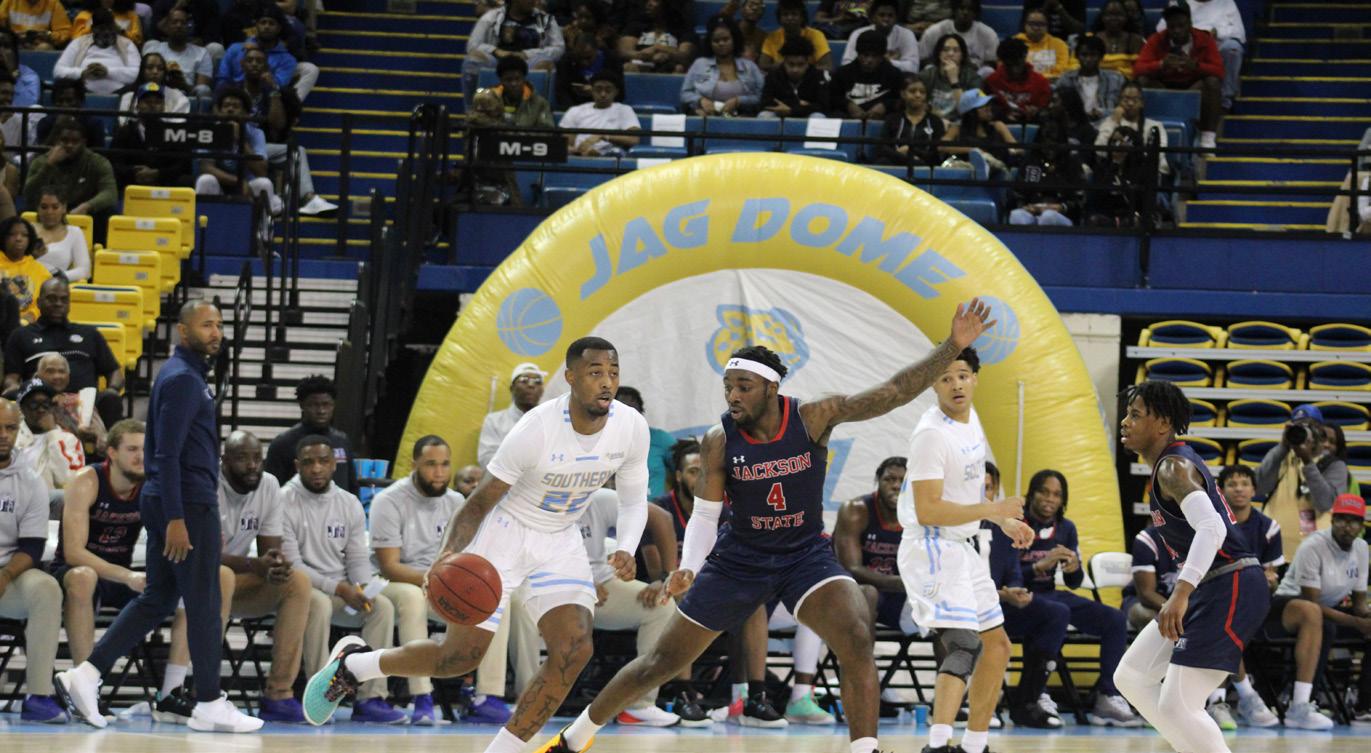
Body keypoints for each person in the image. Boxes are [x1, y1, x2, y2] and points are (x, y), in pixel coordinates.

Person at [546, 301, 996, 753]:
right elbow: (705, 514)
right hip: (739, 561)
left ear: (771, 387)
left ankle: (865, 749)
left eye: (744, 387)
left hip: (804, 557)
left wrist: (952, 346)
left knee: (856, 633)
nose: (733, 396)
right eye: (728, 387)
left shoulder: (812, 417)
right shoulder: (720, 440)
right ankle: (573, 739)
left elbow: (894, 391)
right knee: (660, 662)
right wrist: (690, 567)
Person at [301, 337, 655, 753]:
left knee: (574, 649)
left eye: (613, 373)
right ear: (571, 377)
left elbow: (634, 501)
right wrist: (446, 555)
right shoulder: (537, 429)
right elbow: (478, 503)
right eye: (595, 373)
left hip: (560, 538)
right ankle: (356, 665)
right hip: (505, 533)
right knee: (459, 658)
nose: (607, 382)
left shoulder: (631, 427)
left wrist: (626, 547)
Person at [56, 300, 262, 732]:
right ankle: (209, 701)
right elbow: (166, 453)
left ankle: (86, 674)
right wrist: (176, 517)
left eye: (219, 325)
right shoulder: (184, 378)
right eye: (206, 325)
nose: (216, 332)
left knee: (159, 598)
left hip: (176, 500)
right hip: (186, 502)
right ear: (182, 332)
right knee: (204, 600)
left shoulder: (187, 375)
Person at [1113, 380, 1270, 753]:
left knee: (1179, 704)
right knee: (1132, 676)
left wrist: (1180, 593)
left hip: (1231, 583)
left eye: (1135, 415)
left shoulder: (1173, 467)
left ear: (1163, 423)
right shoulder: (1169, 466)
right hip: (1212, 585)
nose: (1125, 422)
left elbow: (1212, 528)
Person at [898, 345, 1035, 753]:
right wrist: (994, 509)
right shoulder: (931, 435)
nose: (956, 384)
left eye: (962, 375)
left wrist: (1002, 521)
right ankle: (937, 745)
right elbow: (928, 510)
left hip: (961, 546)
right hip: (930, 548)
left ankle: (975, 745)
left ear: (974, 378)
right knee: (963, 644)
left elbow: (967, 491)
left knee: (998, 646)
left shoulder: (971, 419)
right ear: (934, 385)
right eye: (945, 378)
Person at [370, 434, 514, 725]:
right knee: (412, 599)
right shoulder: (388, 501)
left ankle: (486, 696)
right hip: (399, 583)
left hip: (439, 583)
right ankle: (421, 696)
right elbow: (389, 566)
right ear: (414, 465)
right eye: (430, 464)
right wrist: (433, 578)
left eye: (445, 464)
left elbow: (469, 556)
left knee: (497, 600)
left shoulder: (456, 501)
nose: (439, 472)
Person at [999, 469, 1141, 726]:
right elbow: (1006, 575)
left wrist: (1074, 568)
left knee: (1114, 619)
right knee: (1051, 613)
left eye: (1056, 495)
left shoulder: (1066, 528)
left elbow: (1075, 582)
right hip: (1018, 597)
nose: (1049, 499)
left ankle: (1108, 696)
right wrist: (1040, 566)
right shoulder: (1015, 525)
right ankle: (1037, 692)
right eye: (1044, 492)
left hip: (1051, 593)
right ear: (1031, 494)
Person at [285, 434, 407, 724]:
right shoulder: (283, 500)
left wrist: (363, 587)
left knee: (382, 607)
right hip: (305, 590)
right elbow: (293, 565)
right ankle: (321, 694)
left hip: (342, 591)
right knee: (318, 604)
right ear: (297, 466)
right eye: (309, 462)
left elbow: (356, 557)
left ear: (334, 464)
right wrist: (340, 588)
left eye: (323, 461)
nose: (317, 468)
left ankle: (371, 697)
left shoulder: (349, 502)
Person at [214, 430, 315, 723]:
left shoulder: (269, 485)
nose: (252, 465)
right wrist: (254, 564)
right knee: (221, 575)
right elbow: (203, 557)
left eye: (257, 458)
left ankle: (279, 693)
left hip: (238, 583)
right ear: (224, 461)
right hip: (198, 585)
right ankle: (205, 690)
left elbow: (269, 552)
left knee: (297, 582)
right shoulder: (208, 484)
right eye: (242, 458)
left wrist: (275, 565)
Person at [48, 420, 143, 677]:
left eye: (145, 450)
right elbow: (74, 553)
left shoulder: (150, 486)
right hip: (72, 572)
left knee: (179, 586)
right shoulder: (86, 481)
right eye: (132, 449)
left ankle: (172, 687)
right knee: (84, 577)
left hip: (119, 574)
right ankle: (84, 680)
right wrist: (128, 576)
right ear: (112, 452)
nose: (141, 457)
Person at [1268, 493, 1369, 728]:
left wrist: (1366, 619)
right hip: (1289, 606)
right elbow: (1312, 603)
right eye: (1341, 519)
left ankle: (1364, 705)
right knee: (1325, 626)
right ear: (1332, 521)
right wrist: (1356, 622)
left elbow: (1359, 605)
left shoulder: (1362, 548)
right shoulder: (1313, 546)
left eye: (1353, 521)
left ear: (1362, 526)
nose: (1346, 526)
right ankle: (1303, 701)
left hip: (1328, 609)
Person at [985, 463, 1068, 729]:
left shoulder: (1004, 527)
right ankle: (977, 703)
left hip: (999, 604)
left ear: (996, 490)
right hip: (964, 608)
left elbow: (1013, 570)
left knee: (1055, 613)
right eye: (977, 488)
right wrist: (1002, 594)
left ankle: (1028, 702)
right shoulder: (952, 528)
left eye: (988, 488)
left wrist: (1016, 589)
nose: (983, 494)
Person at [0, 399, 65, 722]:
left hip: (7, 578)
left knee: (46, 588)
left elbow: (32, 546)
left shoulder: (30, 481)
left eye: (10, 428)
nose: (3, 435)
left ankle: (38, 695)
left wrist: (5, 575)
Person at [1206, 464, 1282, 729]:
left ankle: (1298, 702)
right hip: (1218, 597)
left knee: (1231, 617)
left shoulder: (1269, 527)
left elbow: (1272, 576)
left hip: (1256, 600)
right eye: (1232, 484)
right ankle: (1235, 697)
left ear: (1254, 490)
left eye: (1244, 483)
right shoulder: (1212, 523)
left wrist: (1269, 580)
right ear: (1221, 491)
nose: (1239, 489)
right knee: (1226, 618)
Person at [3, 278, 123, 428]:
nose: (58, 304)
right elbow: (11, 378)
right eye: (51, 299)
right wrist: (15, 388)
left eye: (64, 299)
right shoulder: (21, 335)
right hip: (40, 401)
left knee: (111, 399)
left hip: (86, 405)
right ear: (39, 302)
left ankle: (106, 442)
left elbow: (114, 371)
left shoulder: (89, 334)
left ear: (69, 304)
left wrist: (112, 389)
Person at [1256, 404, 1349, 563]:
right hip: (1274, 553)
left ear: (1320, 431)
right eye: (1298, 426)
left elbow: (1325, 503)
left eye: (1310, 426)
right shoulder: (1280, 456)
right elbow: (1258, 487)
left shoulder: (1334, 465)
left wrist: (1307, 461)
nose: (1304, 431)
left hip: (1315, 555)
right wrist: (1282, 447)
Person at [833, 457, 915, 635]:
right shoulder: (856, 510)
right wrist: (903, 583)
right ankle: (861, 655)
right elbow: (851, 568)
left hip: (898, 596)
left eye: (903, 481)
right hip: (856, 591)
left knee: (948, 605)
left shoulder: (919, 515)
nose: (896, 486)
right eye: (889, 479)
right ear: (878, 481)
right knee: (868, 593)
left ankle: (958, 654)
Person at [1134, 2, 1223, 149]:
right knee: (1142, 81)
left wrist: (1196, 66)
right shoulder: (1156, 39)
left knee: (1212, 82)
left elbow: (1219, 71)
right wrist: (1161, 64)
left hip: (1192, 87)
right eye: (1172, 26)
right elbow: (1138, 69)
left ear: (1190, 23)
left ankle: (1207, 137)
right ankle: (1140, 128)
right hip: (1164, 87)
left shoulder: (1204, 39)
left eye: (1181, 25)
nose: (1176, 30)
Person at [22, 117, 118, 234]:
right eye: (64, 140)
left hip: (83, 209)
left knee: (108, 212)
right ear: (56, 141)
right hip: (50, 209)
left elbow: (110, 193)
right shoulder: (41, 161)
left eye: (75, 141)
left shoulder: (97, 162)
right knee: (24, 212)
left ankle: (100, 244)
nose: (69, 145)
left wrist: (88, 206)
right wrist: (49, 166)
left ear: (83, 142)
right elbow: (28, 194)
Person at [194, 87, 282, 215]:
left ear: (246, 113)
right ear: (219, 112)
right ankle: (202, 225)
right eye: (226, 106)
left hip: (248, 188)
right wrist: (237, 181)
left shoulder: (256, 134)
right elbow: (206, 168)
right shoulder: (209, 132)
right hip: (220, 185)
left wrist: (240, 140)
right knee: (205, 180)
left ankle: (262, 226)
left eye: (236, 106)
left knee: (265, 183)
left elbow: (261, 171)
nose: (230, 109)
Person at [264, 374, 357, 493]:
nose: (321, 411)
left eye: (326, 404)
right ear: (302, 405)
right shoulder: (282, 444)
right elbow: (271, 491)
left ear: (333, 405)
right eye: (314, 405)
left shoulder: (342, 441)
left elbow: (352, 486)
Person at [462, 0, 564, 104]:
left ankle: (538, 110)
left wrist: (526, 54)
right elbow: (472, 45)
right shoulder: (491, 17)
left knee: (545, 64)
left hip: (529, 62)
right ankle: (473, 108)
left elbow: (558, 48)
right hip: (497, 61)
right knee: (473, 59)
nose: (534, 1)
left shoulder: (546, 20)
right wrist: (495, 50)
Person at [216, 3, 316, 103]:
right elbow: (223, 79)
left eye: (271, 23)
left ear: (279, 28)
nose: (266, 26)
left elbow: (278, 87)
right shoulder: (235, 49)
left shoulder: (287, 60)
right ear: (256, 26)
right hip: (234, 101)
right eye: (263, 22)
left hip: (266, 103)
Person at [1156, 0, 1244, 111]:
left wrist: (1218, 32)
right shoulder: (1180, 3)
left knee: (1233, 48)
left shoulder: (1227, 2)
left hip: (1216, 45)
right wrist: (1191, 32)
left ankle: (1225, 100)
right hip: (1188, 43)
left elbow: (1240, 33)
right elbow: (1160, 28)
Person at [108, 82, 196, 190]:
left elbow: (183, 166)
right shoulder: (124, 131)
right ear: (137, 106)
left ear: (163, 107)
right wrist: (133, 171)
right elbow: (114, 163)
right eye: (147, 101)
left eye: (157, 102)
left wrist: (158, 173)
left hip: (164, 183)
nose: (152, 105)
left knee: (186, 180)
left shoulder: (174, 132)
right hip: (132, 181)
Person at [680, 16, 763, 117]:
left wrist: (738, 101)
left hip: (742, 117)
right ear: (710, 43)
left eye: (726, 39)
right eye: (716, 40)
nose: (721, 43)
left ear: (734, 39)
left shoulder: (750, 66)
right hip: (707, 117)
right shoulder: (700, 64)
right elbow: (685, 94)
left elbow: (761, 96)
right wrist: (700, 100)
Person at [14, 377, 83, 493]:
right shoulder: (11, 437)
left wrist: (52, 434)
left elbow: (69, 480)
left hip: (53, 500)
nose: (41, 410)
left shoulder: (69, 440)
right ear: (22, 408)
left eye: (46, 404)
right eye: (34, 404)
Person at [1008, 119, 1083, 226]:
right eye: (1046, 146)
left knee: (1048, 216)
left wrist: (1061, 207)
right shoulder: (1030, 161)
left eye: (1054, 146)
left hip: (1062, 214)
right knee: (1016, 215)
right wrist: (1025, 207)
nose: (1049, 150)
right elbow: (1018, 193)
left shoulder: (1071, 163)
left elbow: (1079, 199)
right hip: (1033, 210)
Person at [53, 9, 140, 95]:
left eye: (110, 28)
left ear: (115, 27)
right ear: (92, 29)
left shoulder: (127, 44)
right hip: (83, 93)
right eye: (101, 28)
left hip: (121, 93)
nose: (106, 32)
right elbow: (58, 71)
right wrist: (82, 73)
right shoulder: (78, 43)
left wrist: (108, 72)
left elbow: (138, 73)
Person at [35, 353, 105, 458]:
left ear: (68, 377)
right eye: (50, 371)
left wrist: (93, 436)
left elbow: (103, 444)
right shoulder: (29, 403)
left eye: (61, 371)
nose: (57, 376)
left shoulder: (81, 401)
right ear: (38, 376)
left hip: (77, 458)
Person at [477, 361, 545, 466]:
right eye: (524, 380)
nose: (531, 385)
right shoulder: (494, 421)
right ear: (512, 388)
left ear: (542, 391)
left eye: (537, 381)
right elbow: (486, 459)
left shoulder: (551, 421)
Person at [1095, 80, 1170, 175]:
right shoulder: (1110, 123)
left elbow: (1158, 155)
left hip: (1146, 175)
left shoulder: (1155, 126)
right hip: (1116, 174)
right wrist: (1114, 121)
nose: (1130, 103)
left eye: (1135, 100)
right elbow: (1099, 151)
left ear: (1142, 103)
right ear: (1119, 101)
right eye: (1126, 99)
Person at [558, 71, 639, 157]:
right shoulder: (575, 111)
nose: (603, 94)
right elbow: (568, 143)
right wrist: (577, 151)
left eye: (608, 90)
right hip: (579, 156)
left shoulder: (625, 110)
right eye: (598, 89)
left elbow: (633, 139)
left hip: (609, 157)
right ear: (592, 90)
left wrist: (603, 136)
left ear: (616, 92)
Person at [831, 30, 904, 120]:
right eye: (865, 55)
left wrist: (886, 106)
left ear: (882, 56)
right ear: (858, 54)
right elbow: (832, 98)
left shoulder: (894, 75)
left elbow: (901, 99)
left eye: (875, 56)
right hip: (848, 119)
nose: (869, 60)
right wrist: (847, 105)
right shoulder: (842, 74)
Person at [614, 386, 673, 497]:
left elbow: (686, 466)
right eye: (622, 413)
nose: (629, 418)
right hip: (615, 506)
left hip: (656, 506)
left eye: (634, 413)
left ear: (641, 413)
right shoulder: (601, 442)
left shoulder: (660, 439)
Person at [142, 5, 213, 97]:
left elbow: (201, 90)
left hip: (188, 96)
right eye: (174, 22)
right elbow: (144, 80)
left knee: (203, 89)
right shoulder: (154, 50)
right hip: (156, 94)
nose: (178, 25)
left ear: (188, 27)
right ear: (167, 27)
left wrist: (183, 85)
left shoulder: (202, 53)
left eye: (183, 23)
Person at [876, 75, 946, 166]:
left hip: (923, 166)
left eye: (922, 92)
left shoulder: (935, 121)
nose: (918, 95)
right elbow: (882, 148)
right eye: (912, 91)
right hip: (895, 164)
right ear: (903, 94)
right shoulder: (892, 119)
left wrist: (911, 151)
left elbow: (936, 153)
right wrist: (903, 156)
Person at [944, 89, 1017, 174]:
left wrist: (1011, 151)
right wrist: (974, 151)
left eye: (988, 104)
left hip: (998, 169)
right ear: (971, 112)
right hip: (968, 170)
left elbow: (1016, 148)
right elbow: (942, 146)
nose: (989, 108)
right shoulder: (957, 128)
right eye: (984, 106)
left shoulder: (998, 126)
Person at [1055, 35, 1123, 124]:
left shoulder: (1116, 79)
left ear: (1101, 57)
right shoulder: (1066, 79)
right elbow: (1059, 109)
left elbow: (1124, 108)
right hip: (1076, 125)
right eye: (1084, 55)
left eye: (1093, 55)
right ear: (1077, 56)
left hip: (1108, 124)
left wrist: (1102, 113)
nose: (1088, 59)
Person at [917, 0, 998, 74]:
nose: (965, 12)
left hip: (973, 75)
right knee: (928, 68)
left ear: (976, 13)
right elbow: (923, 58)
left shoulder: (988, 34)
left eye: (970, 9)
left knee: (988, 71)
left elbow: (991, 62)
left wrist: (973, 69)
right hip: (941, 75)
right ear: (954, 10)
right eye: (961, 8)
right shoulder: (936, 30)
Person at [760, 37, 831, 119]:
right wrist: (798, 104)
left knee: (818, 116)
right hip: (780, 114)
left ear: (807, 63)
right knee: (764, 115)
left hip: (807, 114)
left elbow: (824, 106)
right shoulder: (773, 75)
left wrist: (792, 110)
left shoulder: (818, 76)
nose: (795, 70)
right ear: (784, 62)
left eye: (800, 65)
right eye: (791, 64)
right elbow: (764, 103)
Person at [983, 37, 1051, 124]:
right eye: (1009, 65)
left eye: (1017, 64)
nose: (1014, 70)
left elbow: (1045, 109)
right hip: (1001, 124)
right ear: (1002, 61)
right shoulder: (992, 81)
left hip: (1032, 124)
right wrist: (1003, 115)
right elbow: (987, 109)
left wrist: (1036, 110)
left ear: (1024, 57)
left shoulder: (1041, 83)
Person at [840, 0, 919, 74]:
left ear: (896, 18)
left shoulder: (907, 34)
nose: (886, 19)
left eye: (890, 15)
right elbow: (846, 63)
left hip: (894, 78)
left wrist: (887, 62)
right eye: (882, 15)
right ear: (873, 17)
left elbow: (913, 67)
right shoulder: (858, 34)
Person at [617, 0, 695, 73]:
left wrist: (658, 49)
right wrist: (643, 55)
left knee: (679, 68)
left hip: (669, 66)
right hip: (641, 65)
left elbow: (685, 56)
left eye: (655, 0)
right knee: (628, 67)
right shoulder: (636, 26)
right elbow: (624, 52)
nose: (649, 4)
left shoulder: (682, 29)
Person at [918, 32, 980, 124]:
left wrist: (954, 80)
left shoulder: (973, 78)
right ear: (939, 54)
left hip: (960, 126)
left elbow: (968, 113)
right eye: (945, 50)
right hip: (930, 123)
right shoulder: (925, 76)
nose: (950, 54)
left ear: (962, 55)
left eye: (956, 50)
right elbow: (917, 105)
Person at [31, 189, 91, 282]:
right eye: (44, 207)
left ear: (64, 208)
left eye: (55, 207)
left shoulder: (74, 232)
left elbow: (84, 270)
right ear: (38, 209)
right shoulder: (27, 230)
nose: (49, 212)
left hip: (55, 285)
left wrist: (54, 277)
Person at [0, 217, 51, 323]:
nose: (18, 238)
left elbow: (46, 304)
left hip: (29, 327)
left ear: (30, 239)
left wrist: (32, 315)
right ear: (3, 237)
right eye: (12, 234)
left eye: (24, 235)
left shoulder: (41, 272)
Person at [758, 0, 831, 73]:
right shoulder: (772, 37)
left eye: (794, 14)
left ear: (802, 17)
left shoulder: (816, 35)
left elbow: (828, 66)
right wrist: (785, 66)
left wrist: (802, 69)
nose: (789, 18)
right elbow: (763, 65)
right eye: (785, 14)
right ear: (779, 18)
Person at [32, 79, 108, 149]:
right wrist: (57, 127)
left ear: (80, 101)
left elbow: (99, 155)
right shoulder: (45, 123)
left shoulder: (94, 124)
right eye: (60, 101)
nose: (64, 105)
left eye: (69, 100)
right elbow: (41, 155)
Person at [116, 51, 189, 117]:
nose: (155, 72)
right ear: (142, 71)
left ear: (164, 72)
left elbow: (178, 124)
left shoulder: (176, 96)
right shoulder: (129, 96)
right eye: (150, 68)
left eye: (160, 68)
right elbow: (124, 123)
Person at [492, 55, 554, 127]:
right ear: (501, 80)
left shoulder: (540, 103)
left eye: (517, 79)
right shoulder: (489, 100)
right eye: (508, 80)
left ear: (524, 78)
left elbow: (546, 130)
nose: (514, 84)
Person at [1015, 8, 1076, 81]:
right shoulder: (1014, 44)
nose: (1036, 28)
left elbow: (1062, 70)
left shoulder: (1059, 45)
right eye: (1032, 23)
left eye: (1040, 24)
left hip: (1052, 83)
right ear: (1025, 25)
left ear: (1047, 26)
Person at [1090, 0, 1144, 78]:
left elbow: (1142, 68)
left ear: (1126, 17)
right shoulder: (1091, 38)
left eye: (1119, 14)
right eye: (1109, 14)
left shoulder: (1136, 41)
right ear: (1102, 17)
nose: (1113, 18)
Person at [0, 0, 72, 50]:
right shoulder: (9, 2)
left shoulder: (53, 3)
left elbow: (64, 32)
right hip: (15, 44)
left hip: (39, 44)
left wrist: (49, 36)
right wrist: (12, 36)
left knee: (44, 47)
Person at [71, 0, 142, 44]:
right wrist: (96, 25)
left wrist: (120, 30)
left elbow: (137, 41)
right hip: (90, 54)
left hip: (122, 54)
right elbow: (75, 40)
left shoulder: (130, 15)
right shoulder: (84, 15)